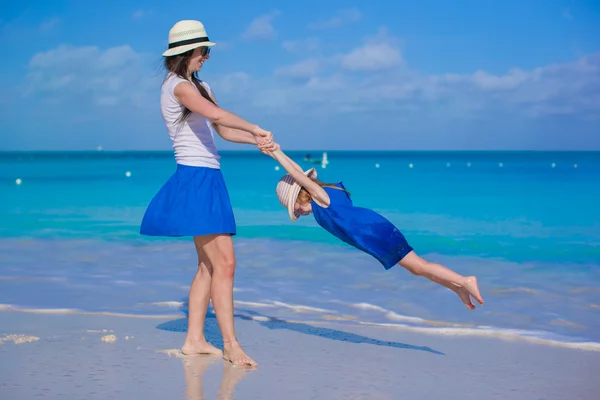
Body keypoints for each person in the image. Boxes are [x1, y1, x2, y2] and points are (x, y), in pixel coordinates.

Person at [141, 20, 274, 366]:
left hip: (209, 177)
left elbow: (222, 130)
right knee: (225, 263)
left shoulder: (201, 86)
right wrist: (257, 125)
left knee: (207, 267)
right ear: (187, 52)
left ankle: (194, 339)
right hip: (195, 178)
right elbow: (216, 113)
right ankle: (230, 344)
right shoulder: (178, 87)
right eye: (204, 51)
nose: (207, 56)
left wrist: (255, 141)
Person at [266, 147, 484, 310]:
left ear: (301, 195)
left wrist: (275, 152)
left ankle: (465, 280)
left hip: (373, 232)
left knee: (419, 266)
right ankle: (458, 287)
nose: (299, 213)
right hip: (375, 228)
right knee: (417, 268)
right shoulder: (331, 192)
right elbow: (298, 174)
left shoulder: (321, 199)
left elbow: (296, 174)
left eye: (295, 208)